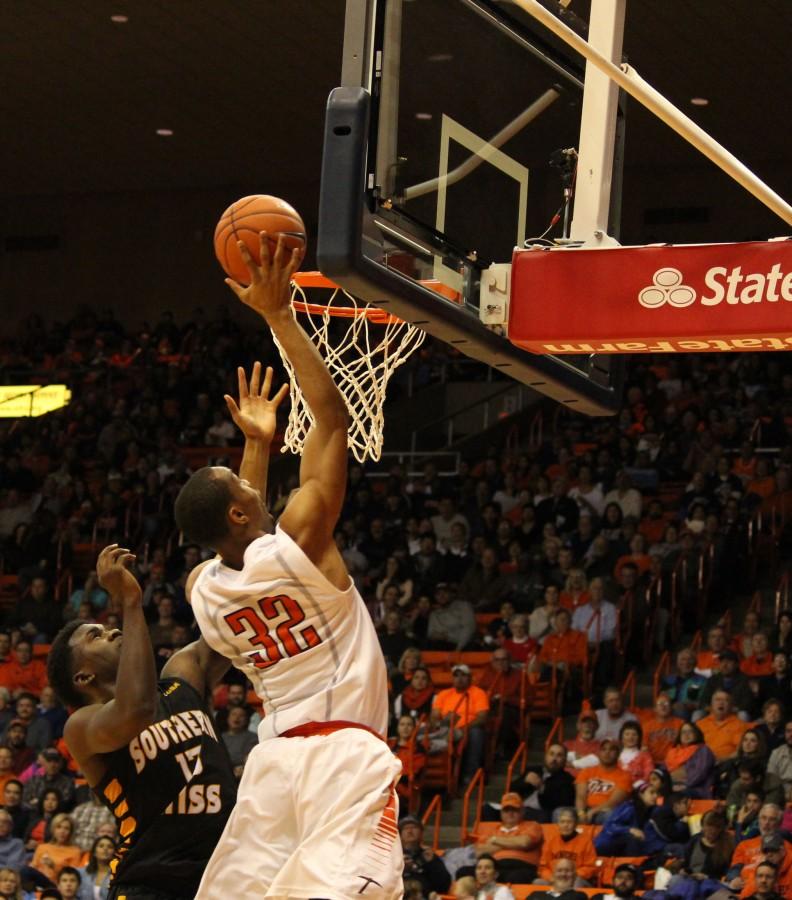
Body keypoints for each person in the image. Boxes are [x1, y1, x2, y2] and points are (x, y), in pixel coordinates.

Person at [177, 237, 403, 899]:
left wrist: (255, 448)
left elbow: (248, 541)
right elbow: (331, 423)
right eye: (247, 489)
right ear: (243, 514)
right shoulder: (302, 540)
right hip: (344, 755)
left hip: (273, 763)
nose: (257, 488)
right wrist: (279, 317)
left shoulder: (204, 594)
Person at [47, 544, 237, 900]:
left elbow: (230, 628)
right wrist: (131, 601)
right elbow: (137, 709)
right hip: (151, 883)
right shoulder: (83, 727)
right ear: (83, 678)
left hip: (226, 875)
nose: (113, 632)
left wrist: (236, 559)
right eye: (96, 635)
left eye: (107, 628)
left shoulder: (182, 678)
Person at [469, 792, 543, 884]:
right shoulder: (492, 830)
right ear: (501, 812)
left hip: (522, 866)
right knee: (464, 871)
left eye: (514, 810)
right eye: (506, 810)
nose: (510, 813)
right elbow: (479, 852)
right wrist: (513, 843)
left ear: (522, 811)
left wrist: (495, 840)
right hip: (495, 867)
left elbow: (524, 843)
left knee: (515, 877)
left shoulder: (532, 825)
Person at [594, 783, 661, 857]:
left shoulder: (650, 812)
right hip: (606, 844)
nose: (655, 796)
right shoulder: (629, 807)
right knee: (632, 839)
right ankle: (632, 864)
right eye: (651, 792)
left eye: (657, 793)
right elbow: (609, 826)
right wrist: (630, 830)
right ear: (640, 794)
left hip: (623, 845)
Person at [575, 739, 632, 824]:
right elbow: (580, 796)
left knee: (610, 816)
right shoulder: (586, 771)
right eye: (603, 749)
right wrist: (581, 813)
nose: (607, 752)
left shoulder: (625, 776)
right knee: (560, 813)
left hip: (605, 811)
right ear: (599, 753)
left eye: (612, 749)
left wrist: (593, 812)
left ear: (618, 754)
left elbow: (613, 802)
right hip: (585, 810)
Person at [535, 808, 597, 885]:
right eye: (562, 822)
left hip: (575, 879)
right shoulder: (550, 841)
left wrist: (570, 876)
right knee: (537, 882)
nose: (565, 825)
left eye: (569, 822)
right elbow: (543, 867)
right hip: (555, 879)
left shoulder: (586, 842)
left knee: (577, 882)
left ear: (576, 824)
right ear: (558, 824)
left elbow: (590, 867)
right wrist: (551, 878)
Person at [517, 743, 576, 822]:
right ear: (545, 756)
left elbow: (561, 803)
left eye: (559, 755)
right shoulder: (533, 770)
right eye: (551, 754)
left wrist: (542, 788)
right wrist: (524, 781)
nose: (554, 758)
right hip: (518, 808)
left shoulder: (567, 779)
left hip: (541, 812)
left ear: (565, 760)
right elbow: (512, 788)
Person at [399, 816, 451, 897]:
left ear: (421, 833)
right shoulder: (393, 857)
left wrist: (432, 863)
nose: (410, 831)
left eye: (414, 827)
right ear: (400, 834)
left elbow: (444, 886)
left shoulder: (429, 856)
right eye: (406, 828)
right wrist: (401, 869)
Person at [665, 721, 717, 797]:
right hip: (672, 786)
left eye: (690, 731)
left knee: (676, 796)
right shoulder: (673, 752)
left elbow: (700, 773)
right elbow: (663, 772)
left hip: (695, 789)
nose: (686, 734)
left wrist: (685, 785)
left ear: (696, 734)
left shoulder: (703, 750)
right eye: (683, 732)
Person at [30, 813, 83, 882]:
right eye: (58, 827)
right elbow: (33, 868)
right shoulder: (42, 847)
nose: (62, 831)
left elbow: (71, 878)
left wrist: (53, 866)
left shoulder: (75, 851)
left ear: (70, 832)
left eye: (66, 828)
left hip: (58, 886)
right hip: (38, 883)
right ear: (53, 829)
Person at [768, 721, 792, 801]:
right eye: (788, 731)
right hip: (781, 793)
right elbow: (772, 779)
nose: (791, 735)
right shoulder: (776, 753)